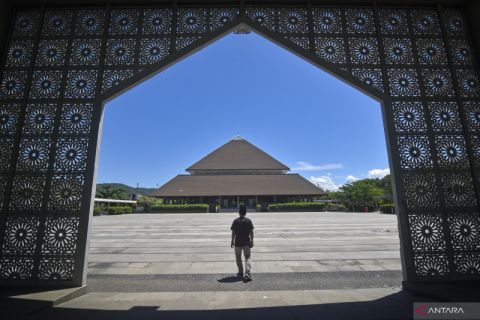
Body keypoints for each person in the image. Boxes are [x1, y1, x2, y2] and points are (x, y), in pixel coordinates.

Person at [230, 205, 254, 281]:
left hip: (237, 243)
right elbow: (251, 232)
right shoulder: (248, 221)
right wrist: (252, 241)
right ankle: (247, 272)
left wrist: (232, 241)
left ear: (239, 213)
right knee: (248, 257)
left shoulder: (235, 221)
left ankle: (240, 272)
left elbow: (233, 232)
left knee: (238, 257)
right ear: (245, 213)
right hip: (246, 243)